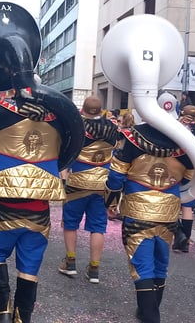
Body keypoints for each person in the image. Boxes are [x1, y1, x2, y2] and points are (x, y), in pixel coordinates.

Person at [0, 96, 68, 323]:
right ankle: (23, 317)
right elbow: (69, 148)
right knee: (30, 264)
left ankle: (2, 310)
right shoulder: (60, 117)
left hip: (3, 203)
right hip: (39, 206)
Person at [104, 113, 195, 323]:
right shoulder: (184, 142)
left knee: (142, 266)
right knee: (161, 263)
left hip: (137, 208)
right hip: (168, 210)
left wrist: (110, 203)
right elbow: (190, 177)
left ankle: (151, 316)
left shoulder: (132, 138)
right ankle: (147, 311)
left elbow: (116, 176)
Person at [58, 96, 117, 284]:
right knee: (98, 226)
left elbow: (66, 153)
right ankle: (94, 268)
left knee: (70, 223)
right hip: (103, 183)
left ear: (82, 109)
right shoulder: (112, 128)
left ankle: (70, 262)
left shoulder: (77, 127)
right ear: (102, 110)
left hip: (77, 182)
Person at [173, 105, 195, 253]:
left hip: (177, 167)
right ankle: (185, 242)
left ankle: (179, 234)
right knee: (188, 207)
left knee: (171, 200)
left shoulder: (176, 126)